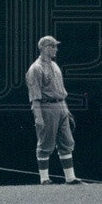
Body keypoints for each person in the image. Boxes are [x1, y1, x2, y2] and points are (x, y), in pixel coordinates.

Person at [26, 36, 81, 185]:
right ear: (45, 48)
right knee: (46, 143)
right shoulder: (35, 69)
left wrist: (67, 111)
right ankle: (44, 179)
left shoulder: (55, 66)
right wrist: (38, 117)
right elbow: (35, 96)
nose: (56, 49)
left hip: (61, 105)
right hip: (46, 107)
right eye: (53, 46)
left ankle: (70, 178)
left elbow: (60, 91)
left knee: (67, 141)